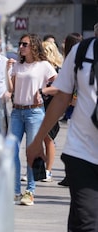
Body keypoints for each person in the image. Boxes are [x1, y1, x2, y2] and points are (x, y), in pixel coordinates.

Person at [26, 36, 98, 232]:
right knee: (84, 220)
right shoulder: (81, 52)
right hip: (83, 152)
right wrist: (38, 139)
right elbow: (62, 97)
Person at [7, 33, 57, 206]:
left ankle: (30, 190)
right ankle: (14, 191)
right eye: (20, 44)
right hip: (17, 111)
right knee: (12, 151)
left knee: (32, 152)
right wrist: (8, 72)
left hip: (35, 112)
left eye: (24, 44)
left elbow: (58, 84)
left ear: (33, 46)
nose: (21, 47)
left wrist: (43, 91)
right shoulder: (18, 66)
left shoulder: (43, 65)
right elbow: (11, 89)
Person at [41, 40, 66, 181]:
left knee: (48, 138)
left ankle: (48, 170)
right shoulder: (38, 67)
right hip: (38, 105)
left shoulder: (58, 70)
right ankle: (38, 169)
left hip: (52, 106)